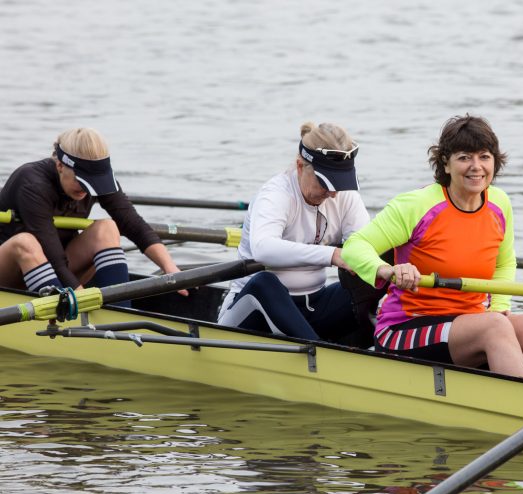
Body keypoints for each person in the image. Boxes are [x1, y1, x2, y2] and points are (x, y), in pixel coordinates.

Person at [341, 115, 523, 382]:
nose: (476, 167)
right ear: (445, 164)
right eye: (464, 157)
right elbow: (354, 247)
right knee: (495, 327)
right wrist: (387, 269)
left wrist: (498, 306)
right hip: (405, 328)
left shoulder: (499, 204)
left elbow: (504, 263)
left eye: (484, 157)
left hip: (473, 323)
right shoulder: (417, 205)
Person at [217, 122, 371, 343]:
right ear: (300, 166)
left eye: (338, 182)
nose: (334, 193)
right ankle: (321, 358)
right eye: (325, 182)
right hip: (252, 313)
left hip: (310, 310)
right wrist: (333, 255)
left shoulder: (343, 195)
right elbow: (263, 249)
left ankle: (377, 352)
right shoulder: (276, 195)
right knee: (265, 282)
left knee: (372, 281)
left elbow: (366, 244)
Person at [0, 127, 183, 299]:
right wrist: (82, 300)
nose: (86, 189)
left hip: (53, 272)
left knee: (107, 227)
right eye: (81, 180)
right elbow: (53, 256)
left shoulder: (100, 180)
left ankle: (118, 312)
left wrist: (170, 268)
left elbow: (133, 224)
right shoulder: (32, 183)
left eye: (92, 182)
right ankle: (74, 310)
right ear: (60, 165)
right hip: (9, 272)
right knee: (25, 242)